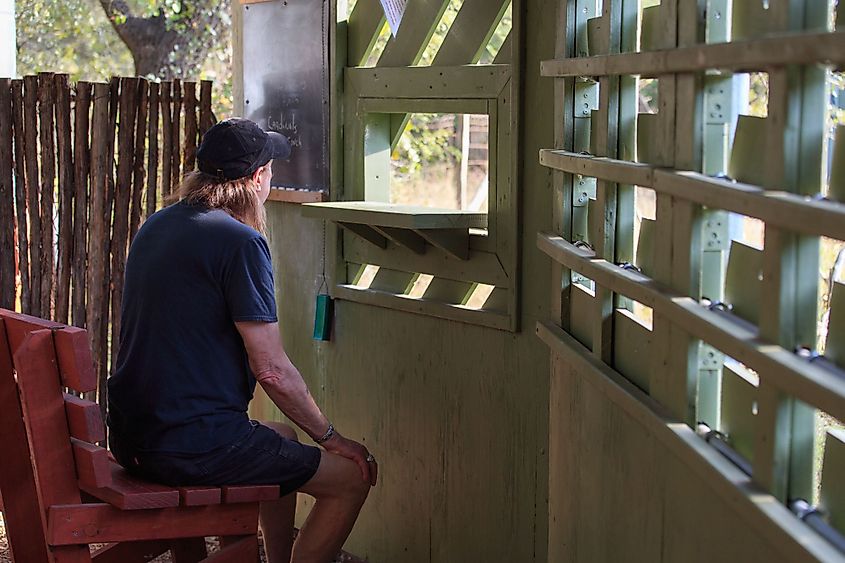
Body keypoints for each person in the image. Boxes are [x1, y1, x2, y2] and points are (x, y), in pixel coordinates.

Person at [107, 118, 377, 563]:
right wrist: (331, 437)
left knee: (283, 436)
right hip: (194, 446)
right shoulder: (241, 243)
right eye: (270, 170)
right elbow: (270, 368)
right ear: (256, 178)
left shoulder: (157, 226)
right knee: (350, 479)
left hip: (135, 437)